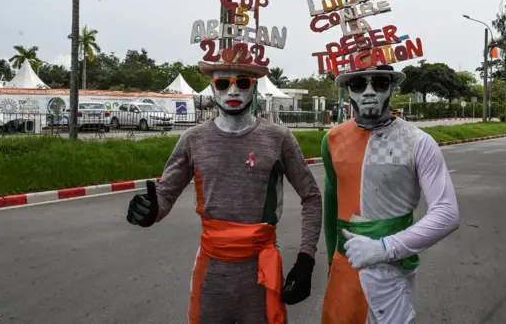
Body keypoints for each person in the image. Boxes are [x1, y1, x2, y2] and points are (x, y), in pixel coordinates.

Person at [127, 55, 323, 324]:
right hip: (212, 269)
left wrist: (306, 259)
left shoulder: (278, 138)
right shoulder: (192, 140)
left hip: (260, 269)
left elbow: (311, 196)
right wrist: (149, 210)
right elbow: (165, 195)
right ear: (212, 89)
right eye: (222, 83)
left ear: (254, 88)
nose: (233, 91)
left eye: (242, 83)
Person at [320, 63, 460, 324]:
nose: (370, 91)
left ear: (392, 87)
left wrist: (385, 247)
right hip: (343, 268)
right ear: (347, 90)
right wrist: (331, 261)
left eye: (380, 83)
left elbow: (447, 213)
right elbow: (331, 202)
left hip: (390, 271)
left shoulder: (418, 141)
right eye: (359, 84)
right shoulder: (332, 139)